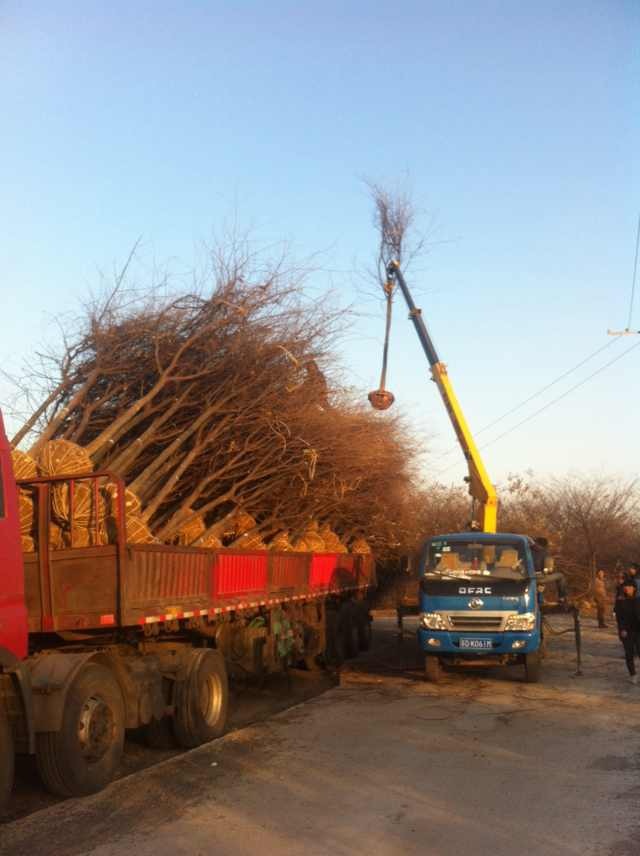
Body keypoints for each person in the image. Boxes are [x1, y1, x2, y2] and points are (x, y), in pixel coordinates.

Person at [614, 580, 640, 683]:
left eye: (629, 587)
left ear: (634, 588)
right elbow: (619, 618)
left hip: (638, 630)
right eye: (626, 586)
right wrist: (622, 629)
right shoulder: (620, 601)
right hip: (626, 631)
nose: (627, 588)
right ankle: (633, 674)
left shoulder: (638, 600)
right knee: (629, 654)